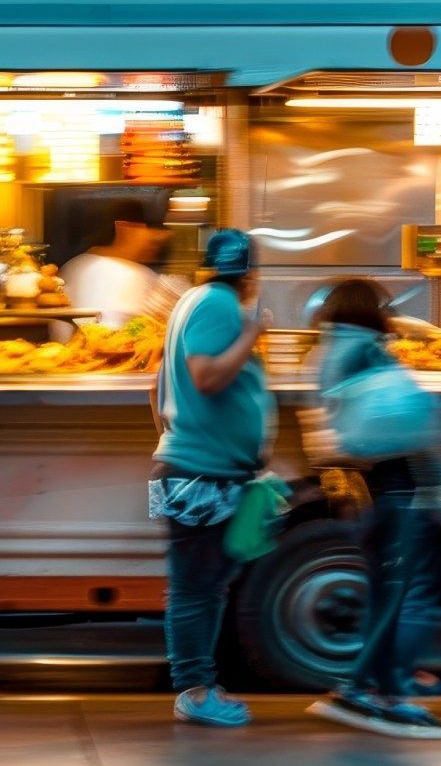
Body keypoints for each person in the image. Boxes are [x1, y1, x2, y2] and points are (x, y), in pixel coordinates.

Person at [305, 279, 441, 739]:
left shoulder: (324, 355)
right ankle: (383, 689)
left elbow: (325, 433)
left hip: (361, 491)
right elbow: (412, 422)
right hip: (399, 489)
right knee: (409, 593)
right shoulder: (370, 352)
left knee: (386, 591)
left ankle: (371, 685)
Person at [150, 228, 272, 727]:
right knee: (196, 588)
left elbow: (157, 384)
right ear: (249, 276)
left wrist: (173, 433)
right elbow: (205, 375)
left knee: (206, 584)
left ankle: (199, 684)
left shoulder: (193, 301)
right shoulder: (220, 305)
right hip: (200, 472)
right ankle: (195, 691)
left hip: (202, 466)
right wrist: (252, 334)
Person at [52, 200, 177, 342]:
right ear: (125, 229)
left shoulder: (72, 266)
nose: (152, 240)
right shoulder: (137, 275)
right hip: (115, 358)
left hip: (65, 357)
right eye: (147, 230)